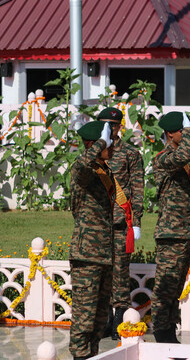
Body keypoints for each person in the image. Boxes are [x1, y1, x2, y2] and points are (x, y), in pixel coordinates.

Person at [96, 107, 144, 339]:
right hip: (97, 223)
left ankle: (119, 318)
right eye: (103, 124)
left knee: (120, 272)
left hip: (120, 222)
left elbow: (138, 189)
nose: (107, 129)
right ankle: (104, 319)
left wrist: (137, 221)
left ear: (118, 127)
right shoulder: (93, 151)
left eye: (110, 125)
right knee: (101, 272)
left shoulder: (130, 154)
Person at [69, 121, 115, 360]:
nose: (112, 145)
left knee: (98, 321)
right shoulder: (83, 172)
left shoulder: (103, 171)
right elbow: (80, 166)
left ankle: (92, 356)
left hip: (104, 254)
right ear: (92, 144)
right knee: (83, 321)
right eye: (108, 141)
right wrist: (100, 142)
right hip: (86, 255)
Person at [151, 111, 190, 343]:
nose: (188, 135)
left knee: (175, 288)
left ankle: (168, 332)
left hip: (183, 233)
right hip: (170, 234)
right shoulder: (163, 158)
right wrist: (188, 134)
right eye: (183, 130)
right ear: (170, 134)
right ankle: (161, 332)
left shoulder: (178, 157)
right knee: (165, 288)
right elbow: (183, 155)